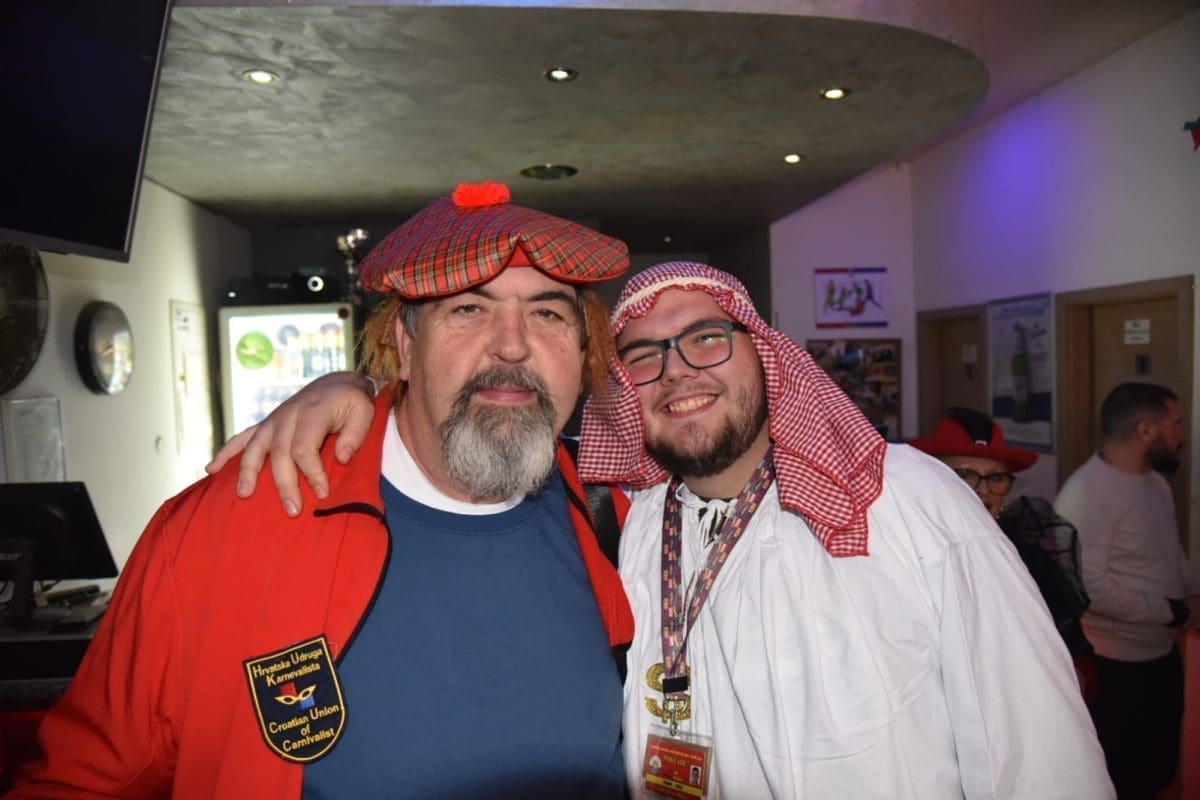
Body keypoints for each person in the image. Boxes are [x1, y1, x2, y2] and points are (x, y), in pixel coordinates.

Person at [224, 262, 1115, 798]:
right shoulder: (632, 517)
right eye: (644, 355)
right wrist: (351, 387)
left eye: (707, 340)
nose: (678, 371)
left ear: (766, 355)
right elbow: (466, 408)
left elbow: (1041, 754)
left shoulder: (902, 500)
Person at [7, 182, 636, 799]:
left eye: (548, 313)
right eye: (469, 309)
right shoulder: (228, 527)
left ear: (582, 352)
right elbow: (85, 781)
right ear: (404, 346)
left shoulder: (616, 514)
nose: (513, 345)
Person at [1055, 382, 1198, 799]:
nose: (1183, 434)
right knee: (1119, 781)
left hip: (1160, 659)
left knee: (1157, 773)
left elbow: (1170, 552)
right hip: (1114, 671)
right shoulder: (1086, 494)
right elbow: (1088, 587)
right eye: (1176, 423)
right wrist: (1171, 611)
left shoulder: (1156, 484)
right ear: (1147, 430)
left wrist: (1191, 595)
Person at [910, 408, 1095, 680]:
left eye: (996, 477)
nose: (982, 490)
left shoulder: (1030, 561)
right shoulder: (905, 552)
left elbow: (1074, 656)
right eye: (963, 475)